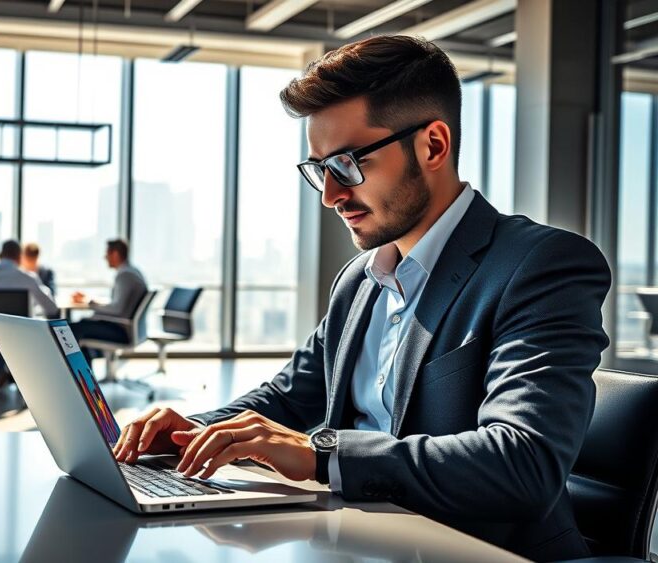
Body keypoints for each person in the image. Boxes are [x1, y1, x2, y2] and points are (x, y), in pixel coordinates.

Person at [111, 35, 610, 562]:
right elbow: (287, 398)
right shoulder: (360, 279)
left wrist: (322, 454)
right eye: (318, 170)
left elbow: (522, 462)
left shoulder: (541, 265)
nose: (329, 195)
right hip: (356, 543)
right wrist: (193, 433)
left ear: (432, 146)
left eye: (346, 164)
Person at [0, 239, 60, 388]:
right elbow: (52, 308)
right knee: (13, 338)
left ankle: (2, 368)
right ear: (20, 257)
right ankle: (12, 371)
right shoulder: (28, 278)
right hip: (18, 337)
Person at [69, 238, 148, 358]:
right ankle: (86, 372)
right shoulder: (133, 272)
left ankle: (81, 375)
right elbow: (119, 304)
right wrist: (90, 301)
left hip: (122, 331)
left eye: (107, 254)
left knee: (73, 329)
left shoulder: (124, 275)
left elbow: (117, 309)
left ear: (115, 254)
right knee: (82, 325)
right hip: (129, 328)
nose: (105, 258)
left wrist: (91, 304)